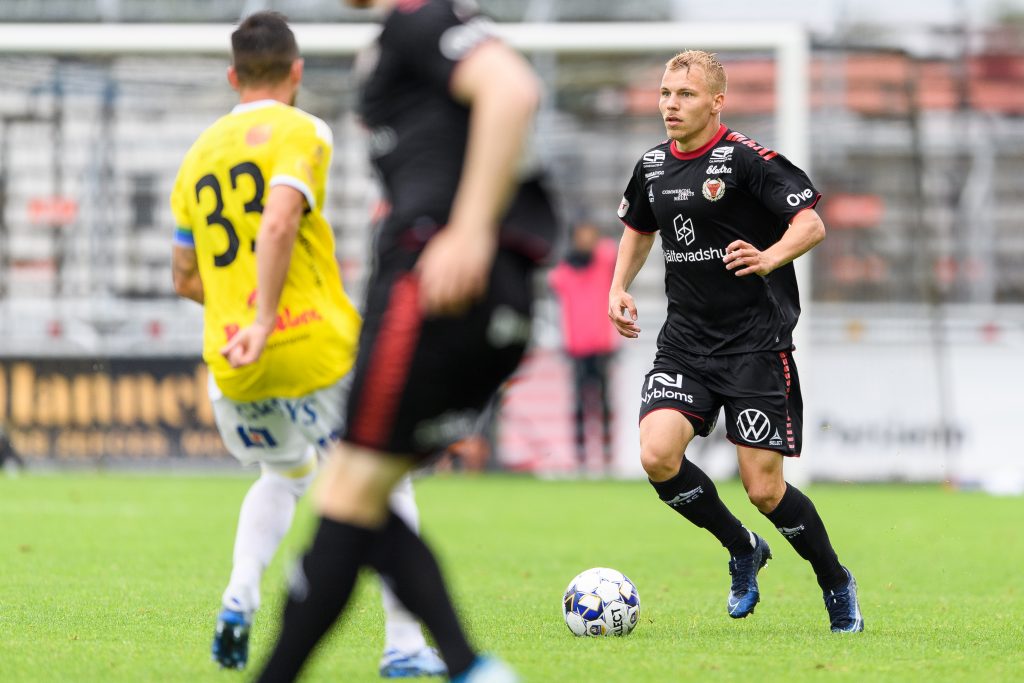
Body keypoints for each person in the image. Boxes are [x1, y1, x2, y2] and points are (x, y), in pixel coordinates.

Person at [254, 0, 558, 681]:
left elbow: (513, 89)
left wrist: (470, 228)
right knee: (361, 487)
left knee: (350, 486)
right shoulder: (429, 28)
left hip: (435, 285)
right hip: (487, 292)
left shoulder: (418, 21)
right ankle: (468, 663)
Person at [169, 11, 445, 676]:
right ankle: (405, 645)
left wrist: (242, 318)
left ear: (234, 75)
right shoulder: (304, 129)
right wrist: (269, 316)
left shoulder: (197, 153)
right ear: (296, 72)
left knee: (283, 474)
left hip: (232, 363)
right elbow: (282, 217)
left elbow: (183, 276)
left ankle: (240, 589)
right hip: (312, 344)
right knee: (382, 474)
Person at [608, 50, 863, 633]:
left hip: (755, 346)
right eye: (666, 93)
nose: (671, 104)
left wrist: (768, 257)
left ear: (716, 101)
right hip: (685, 343)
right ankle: (742, 547)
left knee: (765, 490)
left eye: (686, 94)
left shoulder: (748, 160)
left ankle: (834, 579)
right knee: (656, 455)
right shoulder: (651, 166)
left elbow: (812, 224)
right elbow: (638, 228)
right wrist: (617, 287)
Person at [548, 222, 619, 474]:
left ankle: (608, 457)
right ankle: (580, 458)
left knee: (604, 402)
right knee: (579, 405)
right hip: (577, 347)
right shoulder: (565, 271)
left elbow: (612, 248)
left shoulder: (602, 260)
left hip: (602, 346)